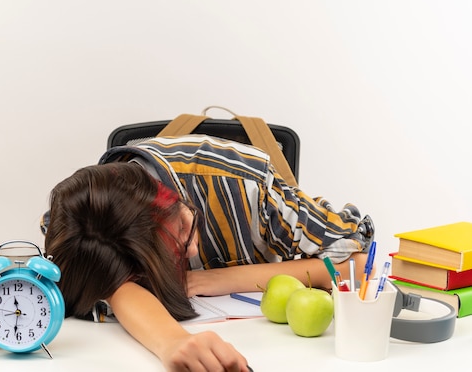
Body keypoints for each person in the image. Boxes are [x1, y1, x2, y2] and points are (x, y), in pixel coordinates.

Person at [42, 134, 374, 371]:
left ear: (175, 197)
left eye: (185, 227)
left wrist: (218, 278)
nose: (193, 251)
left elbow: (356, 264)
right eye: (169, 253)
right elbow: (106, 288)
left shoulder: (242, 183)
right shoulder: (76, 227)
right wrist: (171, 341)